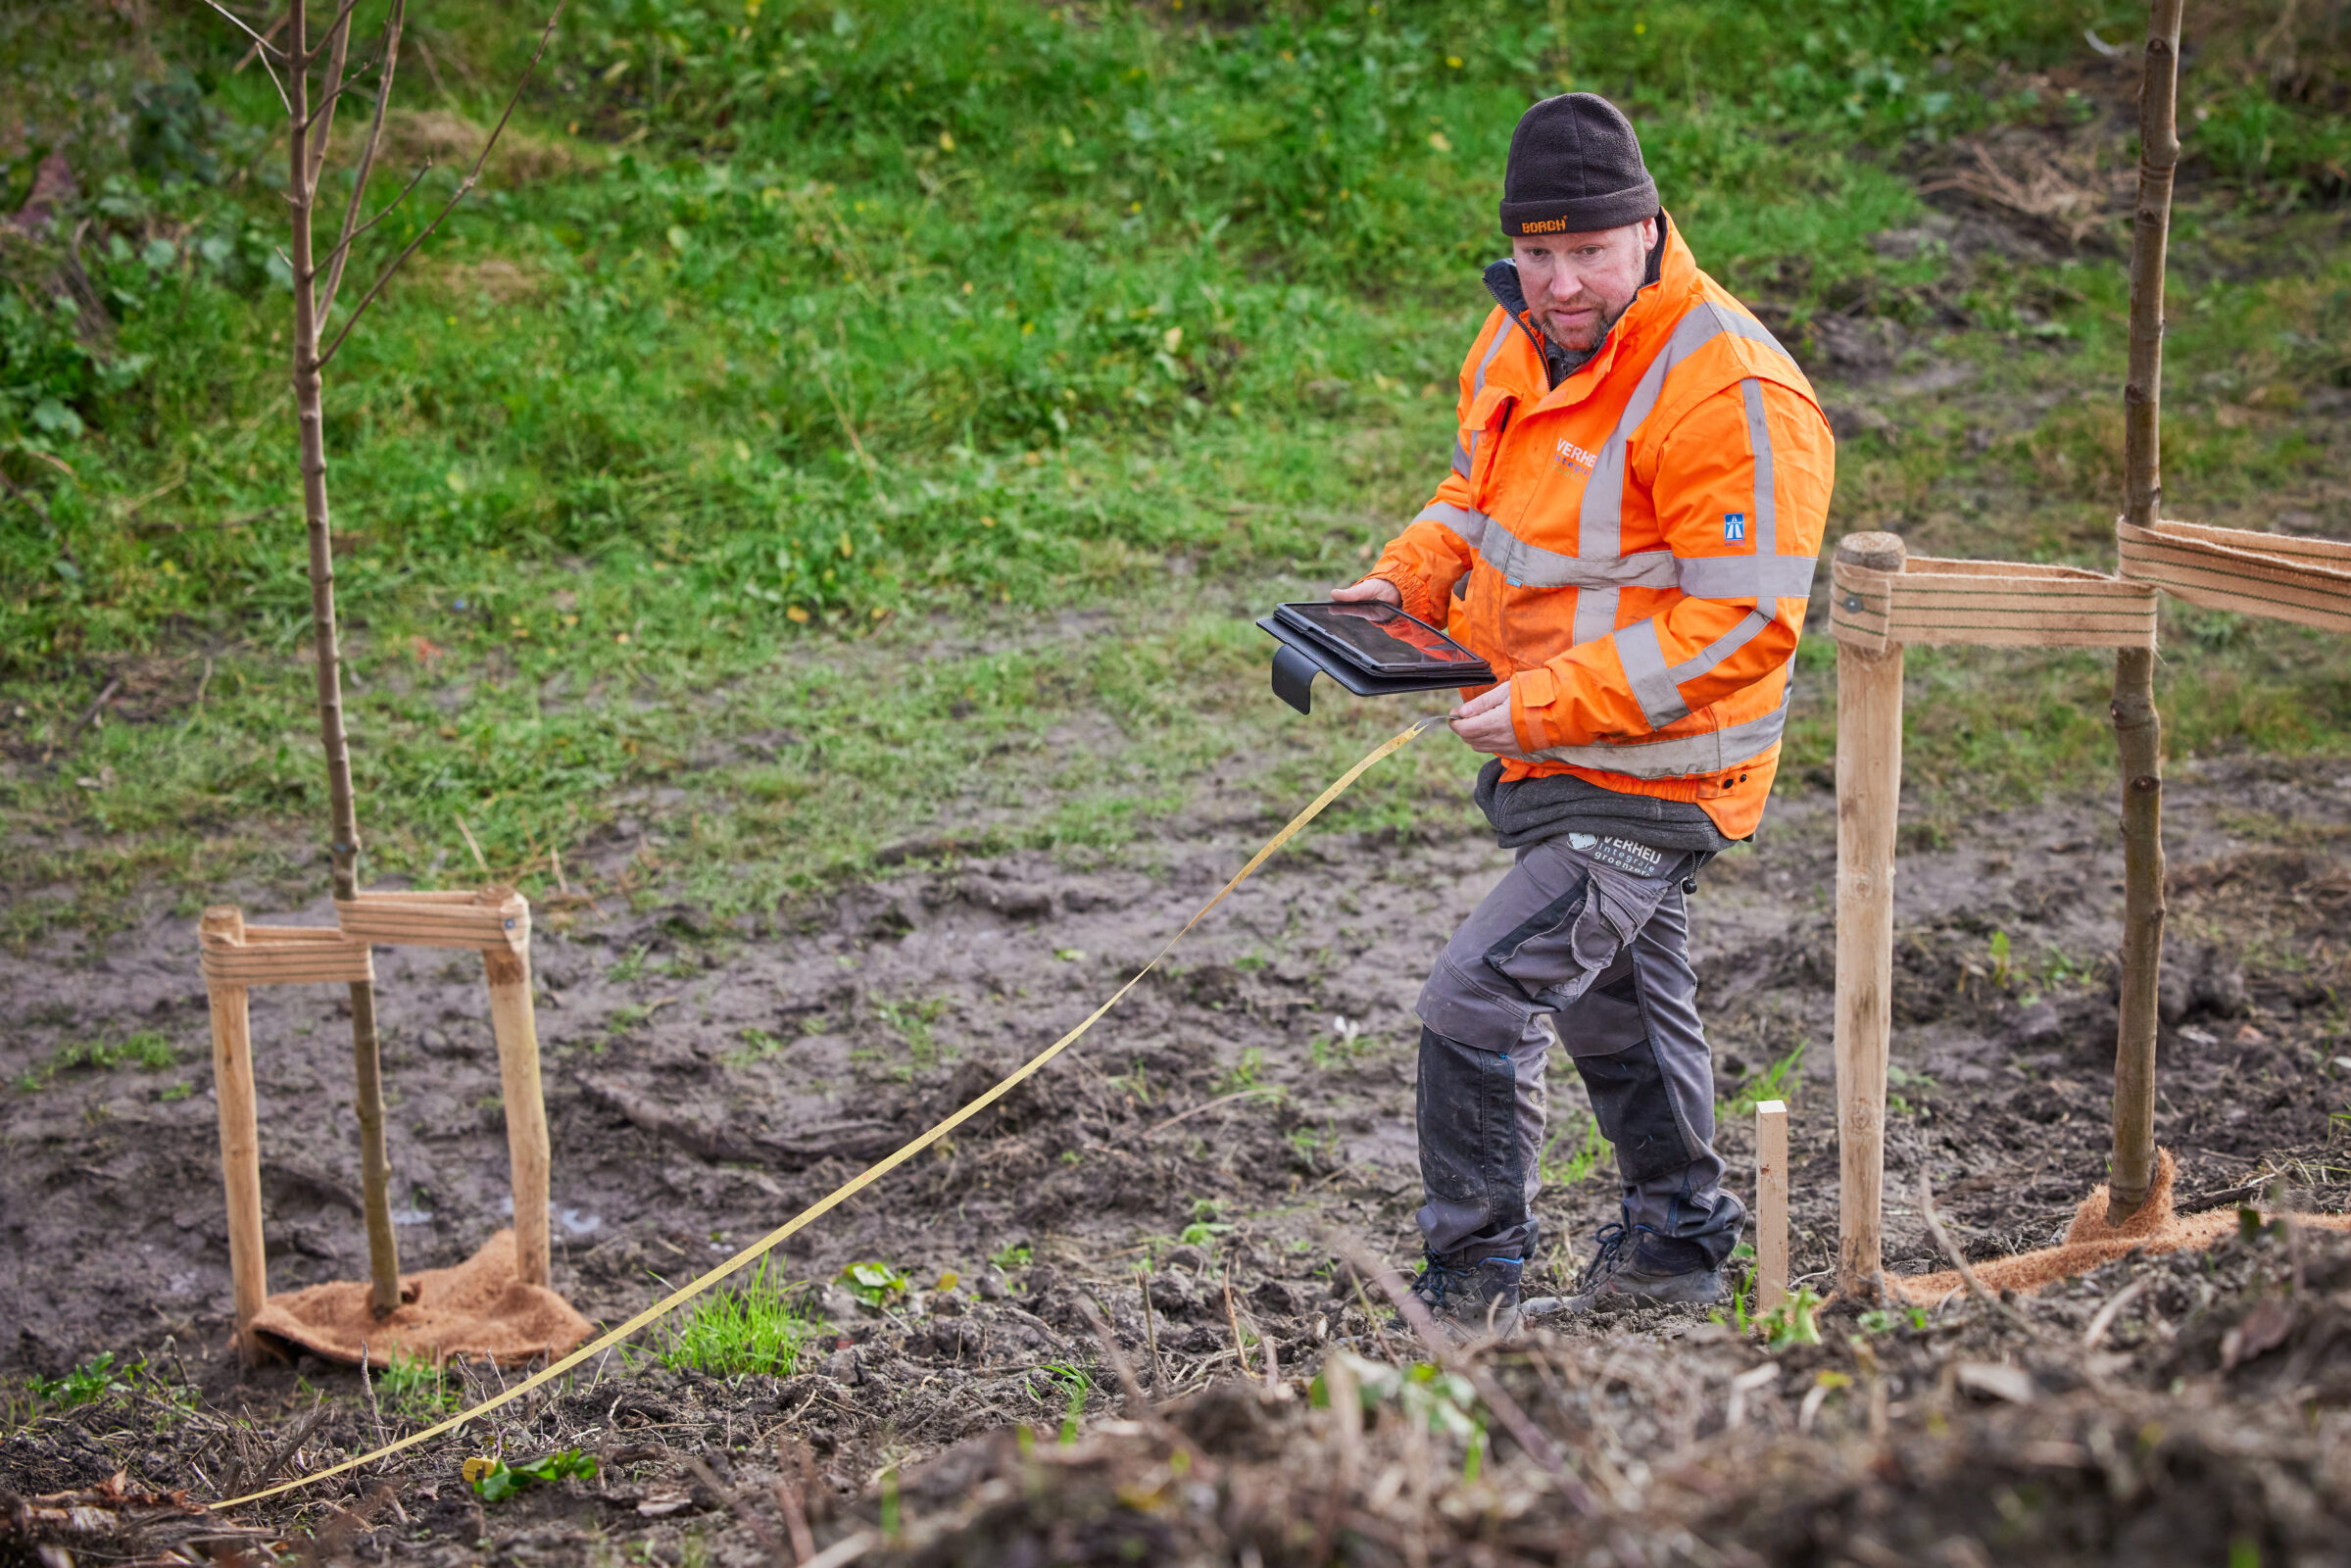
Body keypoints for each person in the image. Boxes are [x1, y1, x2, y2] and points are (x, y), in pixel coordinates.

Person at [1333, 92, 1835, 1340]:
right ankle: (1675, 1245)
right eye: (1537, 253)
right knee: (1613, 999)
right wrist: (1401, 582)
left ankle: (1469, 1295)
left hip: (1659, 771)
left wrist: (1543, 703)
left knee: (1475, 996)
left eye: (1585, 256)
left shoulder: (1731, 391)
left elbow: (1739, 627)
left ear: (1648, 230)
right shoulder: (1520, 335)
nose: (1557, 283)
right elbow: (1474, 493)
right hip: (1563, 749)